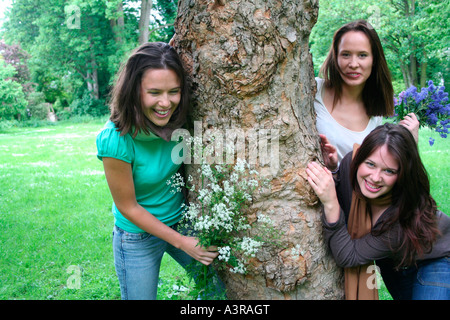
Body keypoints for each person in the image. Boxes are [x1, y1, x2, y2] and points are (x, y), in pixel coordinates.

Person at [96, 42, 220, 300]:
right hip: (136, 237)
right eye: (154, 92)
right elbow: (129, 207)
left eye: (173, 91)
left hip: (181, 221)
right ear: (134, 91)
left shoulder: (182, 120)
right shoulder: (115, 139)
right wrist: (181, 242)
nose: (166, 103)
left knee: (218, 292)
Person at [306, 123, 450, 300]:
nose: (375, 178)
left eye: (389, 171)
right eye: (370, 164)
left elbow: (349, 255)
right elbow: (346, 193)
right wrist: (335, 171)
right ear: (360, 159)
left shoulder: (402, 218)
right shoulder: (351, 163)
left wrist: (330, 204)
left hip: (436, 260)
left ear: (402, 175)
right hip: (395, 263)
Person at [315, 19, 419, 162]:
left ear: (374, 59)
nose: (353, 64)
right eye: (346, 54)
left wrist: (410, 142)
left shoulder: (375, 116)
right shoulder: (314, 90)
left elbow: (376, 171)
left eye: (362, 55)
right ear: (336, 57)